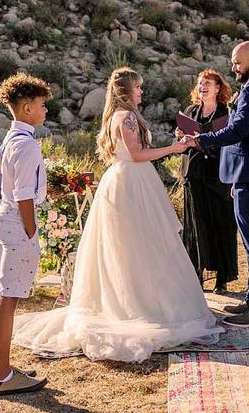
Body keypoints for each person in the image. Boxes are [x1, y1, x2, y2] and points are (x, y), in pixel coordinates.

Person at [13, 67, 221, 362]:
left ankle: (143, 301)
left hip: (128, 180)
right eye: (138, 87)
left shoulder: (121, 117)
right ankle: (140, 307)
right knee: (138, 245)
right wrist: (175, 147)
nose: (141, 92)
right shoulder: (125, 117)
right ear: (126, 90)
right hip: (130, 184)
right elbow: (136, 155)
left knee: (136, 247)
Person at [185, 41, 249, 327]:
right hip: (248, 174)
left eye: (238, 62)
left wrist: (201, 140)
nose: (234, 67)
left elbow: (238, 130)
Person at [0, 73, 53, 396]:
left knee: (1, 294)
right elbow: (24, 194)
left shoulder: (12, 139)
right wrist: (31, 232)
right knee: (8, 298)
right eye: (41, 105)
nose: (45, 110)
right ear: (26, 108)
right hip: (16, 220)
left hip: (2, 216)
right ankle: (2, 374)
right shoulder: (26, 145)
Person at [177, 69, 238, 294]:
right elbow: (186, 141)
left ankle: (221, 278)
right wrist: (182, 137)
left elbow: (229, 142)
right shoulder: (192, 111)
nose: (202, 86)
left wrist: (202, 141)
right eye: (200, 83)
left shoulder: (227, 112)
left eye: (207, 83)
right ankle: (196, 275)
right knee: (195, 226)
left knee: (221, 225)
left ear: (218, 88)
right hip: (194, 175)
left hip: (218, 176)